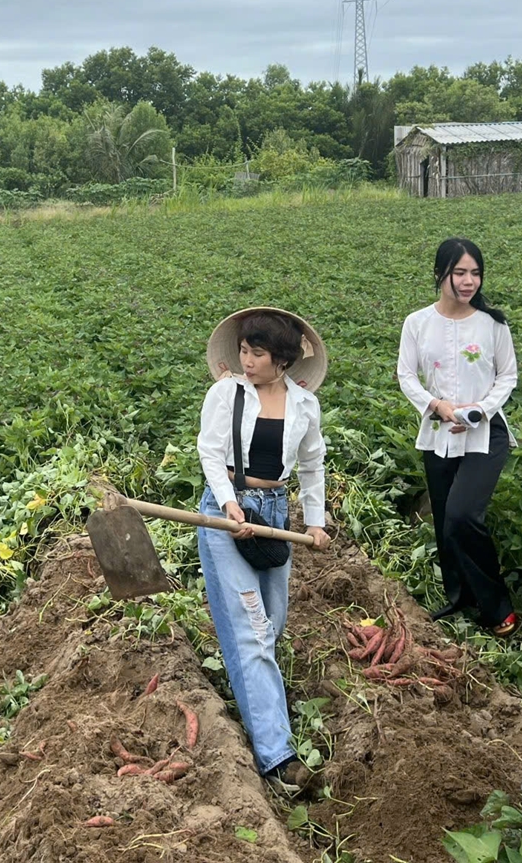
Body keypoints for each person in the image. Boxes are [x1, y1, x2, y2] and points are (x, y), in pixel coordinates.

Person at [197, 307, 332, 797]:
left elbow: (312, 466)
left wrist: (315, 523)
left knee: (270, 626)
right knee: (253, 631)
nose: (246, 360)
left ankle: (252, 695)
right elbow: (210, 452)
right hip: (226, 514)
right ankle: (279, 760)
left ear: (282, 360)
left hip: (275, 516)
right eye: (244, 351)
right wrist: (231, 505)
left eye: (257, 353)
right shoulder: (226, 393)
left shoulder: (304, 406)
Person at [396, 237, 520, 637]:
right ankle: (458, 597)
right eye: (460, 273)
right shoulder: (417, 323)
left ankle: (498, 607)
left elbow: (508, 376)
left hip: (486, 432)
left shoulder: (493, 324)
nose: (469, 282)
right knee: (446, 520)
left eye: (475, 273)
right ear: (440, 275)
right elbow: (406, 375)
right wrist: (436, 405)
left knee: (464, 514)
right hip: (438, 431)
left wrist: (477, 411)